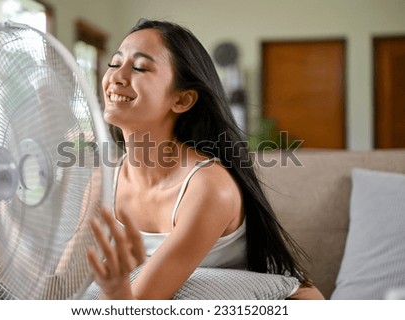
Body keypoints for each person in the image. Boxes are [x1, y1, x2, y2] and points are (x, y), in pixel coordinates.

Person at [86, 19, 324, 300]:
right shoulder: (102, 180)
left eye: (139, 67)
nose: (117, 76)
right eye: (115, 63)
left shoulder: (208, 187)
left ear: (182, 100)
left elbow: (138, 304)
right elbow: (60, 280)